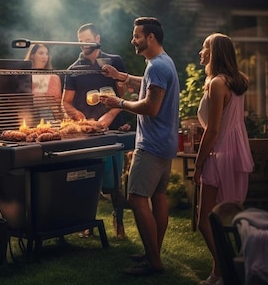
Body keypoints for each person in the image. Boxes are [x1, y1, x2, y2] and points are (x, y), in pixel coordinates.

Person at [100, 17, 179, 276]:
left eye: (137, 36)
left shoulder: (156, 67)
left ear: (151, 38)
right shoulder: (162, 62)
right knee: (158, 197)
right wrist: (121, 76)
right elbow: (147, 85)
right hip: (166, 143)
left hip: (152, 145)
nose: (133, 40)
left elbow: (150, 107)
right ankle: (152, 252)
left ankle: (154, 262)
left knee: (135, 197)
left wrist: (118, 103)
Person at [193, 33, 254, 285]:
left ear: (215, 52)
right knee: (223, 216)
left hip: (220, 153)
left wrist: (198, 164)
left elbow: (213, 130)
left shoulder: (218, 83)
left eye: (205, 47)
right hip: (236, 151)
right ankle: (222, 270)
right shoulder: (235, 81)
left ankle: (225, 269)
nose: (200, 51)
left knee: (206, 219)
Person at [63, 23, 129, 238]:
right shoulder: (73, 69)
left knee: (114, 181)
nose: (83, 44)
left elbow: (123, 94)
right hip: (87, 134)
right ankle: (86, 223)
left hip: (113, 130)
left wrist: (110, 116)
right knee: (86, 178)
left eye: (87, 39)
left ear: (97, 38)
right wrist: (79, 117)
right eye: (80, 40)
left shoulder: (114, 62)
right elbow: (67, 103)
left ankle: (118, 222)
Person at [24, 43, 62, 120]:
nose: (45, 56)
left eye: (46, 54)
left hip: (48, 115)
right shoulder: (24, 75)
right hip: (27, 114)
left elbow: (57, 103)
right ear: (32, 56)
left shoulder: (54, 77)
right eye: (41, 53)